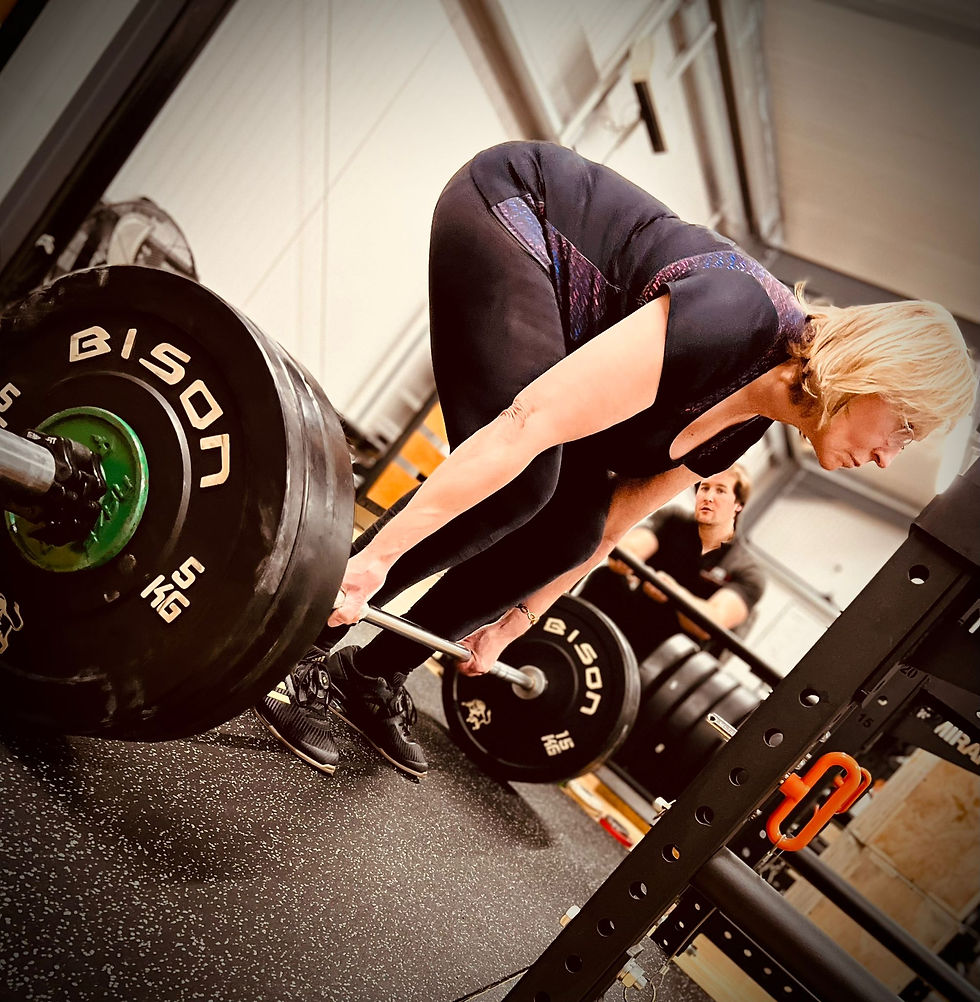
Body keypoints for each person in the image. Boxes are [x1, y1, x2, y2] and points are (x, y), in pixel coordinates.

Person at [254, 140, 977, 779]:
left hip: (570, 319)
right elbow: (529, 422)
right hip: (517, 214)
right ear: (876, 374)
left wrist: (519, 620)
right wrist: (375, 562)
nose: (890, 458)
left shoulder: (744, 427)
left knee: (566, 525)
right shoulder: (739, 318)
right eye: (905, 428)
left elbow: (605, 530)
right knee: (523, 481)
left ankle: (370, 671)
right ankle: (301, 636)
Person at [578, 464, 764, 664]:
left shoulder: (747, 571)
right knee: (606, 577)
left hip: (671, 648)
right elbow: (631, 548)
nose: (708, 497)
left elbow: (712, 621)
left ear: (738, 505)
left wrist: (671, 592)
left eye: (720, 491)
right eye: (704, 488)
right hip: (632, 613)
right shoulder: (674, 519)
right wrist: (627, 560)